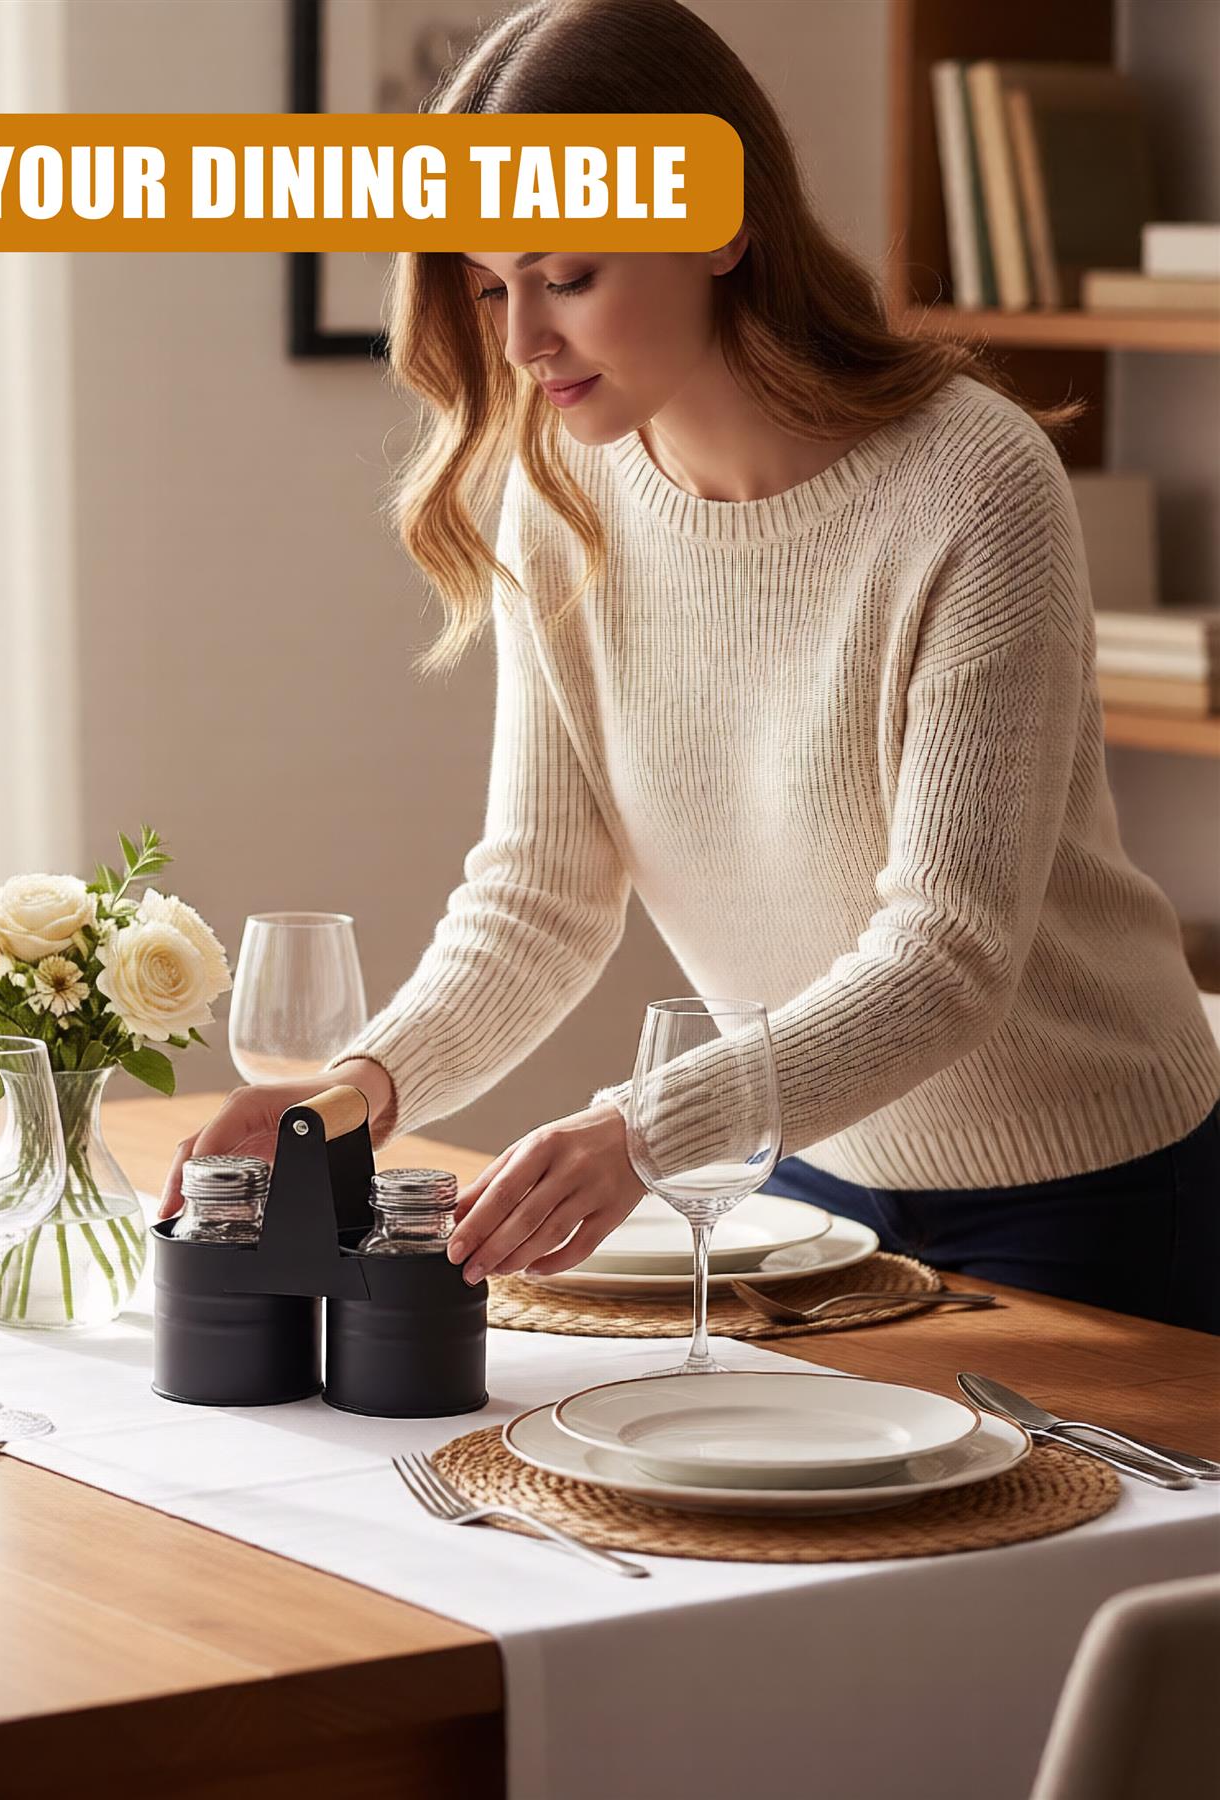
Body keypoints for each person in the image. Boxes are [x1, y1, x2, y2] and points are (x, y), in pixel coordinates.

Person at [160, 0, 1220, 1330]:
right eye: (489, 288)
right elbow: (539, 898)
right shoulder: (560, 496)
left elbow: (947, 956)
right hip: (801, 1170)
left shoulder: (974, 482)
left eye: (568, 276)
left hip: (1091, 1187)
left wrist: (639, 1132)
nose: (522, 341)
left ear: (722, 223)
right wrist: (355, 1095)